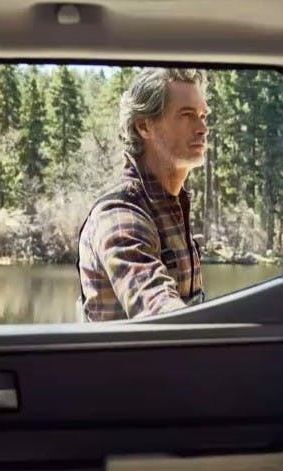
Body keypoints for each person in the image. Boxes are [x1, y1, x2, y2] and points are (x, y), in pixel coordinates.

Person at [77, 68, 208, 322]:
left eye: (203, 116)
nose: (202, 127)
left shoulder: (174, 204)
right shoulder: (120, 216)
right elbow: (157, 307)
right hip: (129, 363)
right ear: (144, 126)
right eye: (187, 115)